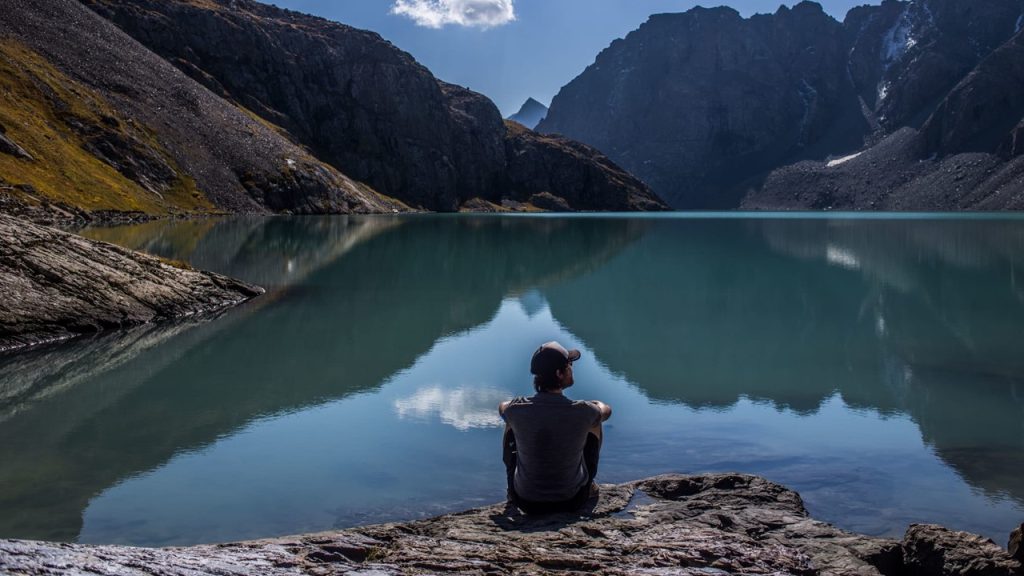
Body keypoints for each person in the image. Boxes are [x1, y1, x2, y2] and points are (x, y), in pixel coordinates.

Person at [498, 341, 612, 514]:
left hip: (525, 501)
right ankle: (589, 485)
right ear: (559, 373)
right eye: (570, 365)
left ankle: (510, 489)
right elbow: (606, 411)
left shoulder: (517, 409)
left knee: (510, 424)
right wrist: (595, 404)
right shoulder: (582, 411)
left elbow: (502, 407)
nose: (572, 369)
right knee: (594, 423)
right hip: (571, 501)